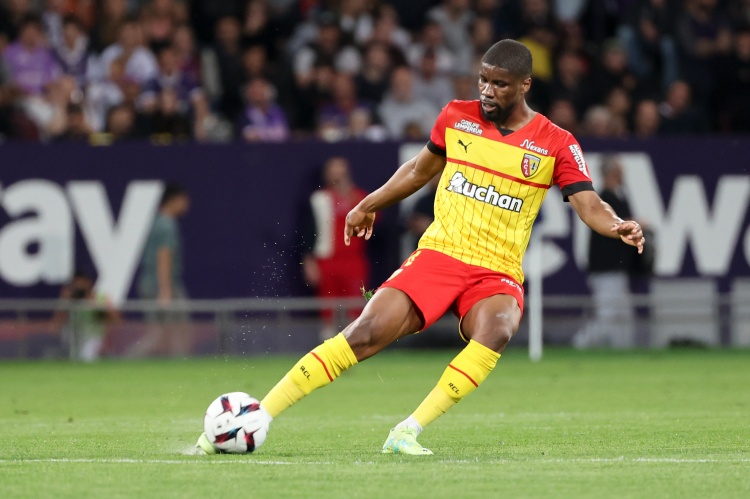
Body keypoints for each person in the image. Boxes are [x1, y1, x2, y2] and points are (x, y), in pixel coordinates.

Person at [196, 39, 645, 456]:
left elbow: (588, 203)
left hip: (496, 269)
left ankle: (407, 431)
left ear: (525, 85)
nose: (487, 91)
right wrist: (368, 204)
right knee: (365, 333)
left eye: (500, 84)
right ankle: (260, 415)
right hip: (440, 254)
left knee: (498, 328)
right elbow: (417, 171)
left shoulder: (556, 142)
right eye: (483, 80)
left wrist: (616, 225)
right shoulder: (456, 116)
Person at [572, 156, 638, 349]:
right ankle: (580, 344)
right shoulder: (604, 199)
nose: (623, 175)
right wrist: (638, 224)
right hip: (605, 269)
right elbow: (619, 225)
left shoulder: (619, 196)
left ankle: (623, 353)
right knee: (607, 316)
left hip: (616, 268)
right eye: (619, 171)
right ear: (611, 173)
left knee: (624, 316)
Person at [301, 157, 370, 340]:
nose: (337, 176)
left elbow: (373, 221)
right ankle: (328, 344)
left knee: (354, 305)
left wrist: (350, 196)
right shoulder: (319, 199)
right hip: (327, 259)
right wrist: (309, 261)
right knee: (328, 306)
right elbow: (308, 232)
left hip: (353, 259)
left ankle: (354, 343)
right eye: (333, 172)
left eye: (341, 172)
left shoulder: (359, 197)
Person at [132, 183, 191, 356]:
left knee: (160, 334)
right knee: (177, 331)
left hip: (151, 283)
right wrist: (165, 290)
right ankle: (130, 361)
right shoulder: (167, 224)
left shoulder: (156, 222)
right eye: (184, 200)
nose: (187, 204)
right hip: (163, 285)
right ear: (173, 200)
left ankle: (128, 362)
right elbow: (163, 256)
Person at [53, 270, 119, 362]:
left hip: (93, 336)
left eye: (80, 283)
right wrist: (65, 301)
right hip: (74, 336)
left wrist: (98, 308)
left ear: (87, 283)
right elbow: (57, 321)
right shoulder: (71, 299)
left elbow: (116, 320)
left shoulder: (99, 298)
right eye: (74, 284)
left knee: (86, 358)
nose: (78, 287)